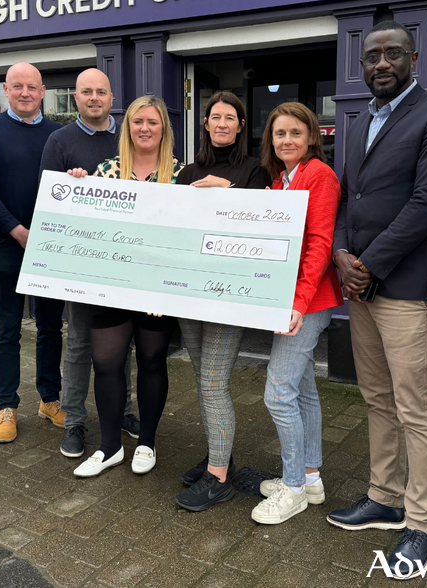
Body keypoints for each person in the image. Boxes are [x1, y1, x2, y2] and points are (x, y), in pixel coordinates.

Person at [327, 21, 427, 578]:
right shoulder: (360, 120)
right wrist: (341, 251)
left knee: (415, 408)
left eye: (391, 54)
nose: (380, 63)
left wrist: (369, 264)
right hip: (360, 287)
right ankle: (383, 498)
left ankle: (422, 524)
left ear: (413, 58)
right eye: (371, 57)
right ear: (360, 67)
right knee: (378, 399)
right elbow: (346, 196)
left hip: (407, 290)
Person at [70, 95, 183, 477]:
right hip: (112, 285)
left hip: (158, 291)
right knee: (106, 362)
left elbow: (187, 239)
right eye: (138, 122)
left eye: (152, 121)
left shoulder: (181, 174)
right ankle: (109, 447)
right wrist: (75, 190)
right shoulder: (105, 170)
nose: (145, 128)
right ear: (128, 127)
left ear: (164, 127)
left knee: (151, 361)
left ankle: (147, 442)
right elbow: (87, 228)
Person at [174, 90, 270, 512]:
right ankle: (220, 455)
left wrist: (226, 190)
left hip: (230, 295)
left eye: (231, 117)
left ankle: (218, 479)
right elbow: (175, 232)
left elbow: (262, 226)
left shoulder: (257, 171)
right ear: (206, 123)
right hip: (190, 293)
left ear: (241, 126)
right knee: (202, 378)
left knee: (213, 384)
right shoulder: (186, 172)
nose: (222, 123)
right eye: (215, 117)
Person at [249, 103, 343, 524]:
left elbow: (320, 244)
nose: (287, 140)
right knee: (303, 390)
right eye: (279, 133)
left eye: (296, 133)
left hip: (309, 303)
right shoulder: (282, 180)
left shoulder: (320, 175)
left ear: (311, 138)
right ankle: (310, 475)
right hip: (289, 301)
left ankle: (293, 489)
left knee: (278, 392)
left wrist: (299, 304)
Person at [39, 68, 140, 459]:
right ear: (75, 98)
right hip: (81, 262)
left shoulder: (130, 135)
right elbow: (49, 201)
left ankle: (125, 411)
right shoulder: (59, 141)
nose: (94, 98)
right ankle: (76, 420)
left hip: (128, 259)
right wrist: (72, 187)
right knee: (79, 344)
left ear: (111, 98)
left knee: (123, 344)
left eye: (101, 92)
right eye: (86, 92)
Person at [0, 63, 65, 444]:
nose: (25, 93)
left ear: (43, 91)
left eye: (32, 87)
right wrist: (17, 229)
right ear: (5, 91)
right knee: (6, 327)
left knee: (50, 326)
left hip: (51, 247)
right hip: (9, 244)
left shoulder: (59, 134)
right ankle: (6, 405)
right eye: (17, 86)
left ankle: (50, 398)